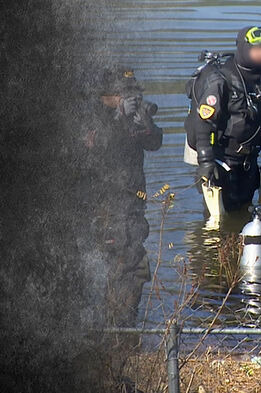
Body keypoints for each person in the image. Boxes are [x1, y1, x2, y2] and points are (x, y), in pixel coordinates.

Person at [84, 65, 163, 327]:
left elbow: (154, 143)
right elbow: (91, 151)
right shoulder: (91, 117)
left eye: (133, 92)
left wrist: (146, 123)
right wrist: (117, 118)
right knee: (117, 265)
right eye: (123, 94)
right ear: (107, 96)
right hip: (104, 206)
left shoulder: (132, 118)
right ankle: (112, 329)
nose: (130, 98)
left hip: (132, 204)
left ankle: (124, 326)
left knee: (136, 266)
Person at [184, 25, 261, 212]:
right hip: (220, 162)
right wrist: (205, 162)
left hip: (248, 162)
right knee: (217, 220)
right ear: (244, 49)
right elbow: (203, 124)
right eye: (256, 48)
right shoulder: (220, 80)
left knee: (247, 212)